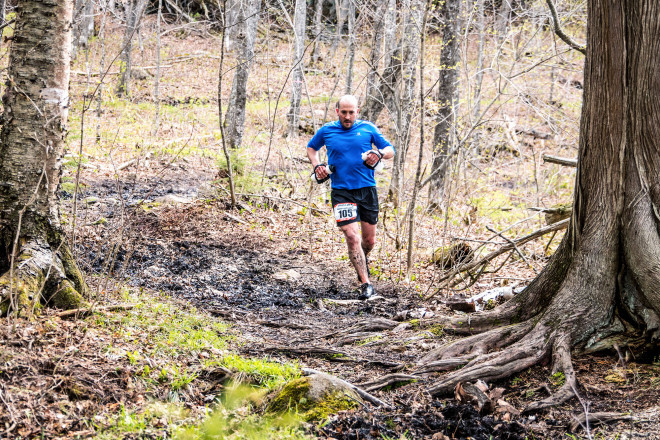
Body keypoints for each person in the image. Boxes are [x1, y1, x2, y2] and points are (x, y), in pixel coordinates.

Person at [307, 95, 395, 299]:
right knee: (352, 236)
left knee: (369, 241)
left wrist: (380, 154)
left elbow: (390, 150)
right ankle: (366, 284)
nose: (347, 116)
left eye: (351, 112)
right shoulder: (327, 130)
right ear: (337, 111)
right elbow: (312, 148)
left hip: (367, 190)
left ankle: (362, 261)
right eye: (343, 112)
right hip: (341, 191)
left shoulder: (368, 128)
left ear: (357, 112)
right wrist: (317, 165)